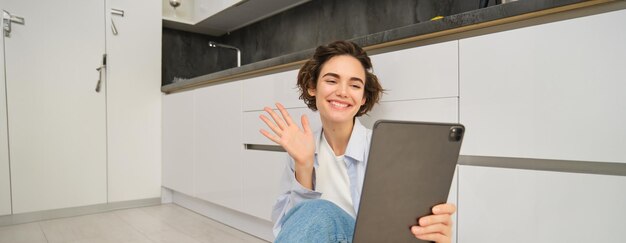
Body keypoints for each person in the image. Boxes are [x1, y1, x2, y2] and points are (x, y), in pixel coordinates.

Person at [260, 40, 456, 243]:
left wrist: (436, 233)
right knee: (316, 212)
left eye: (354, 85)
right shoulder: (301, 148)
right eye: (331, 81)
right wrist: (303, 166)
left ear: (363, 97)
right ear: (312, 87)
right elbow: (289, 229)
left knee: (320, 211)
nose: (343, 92)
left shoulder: (384, 149)